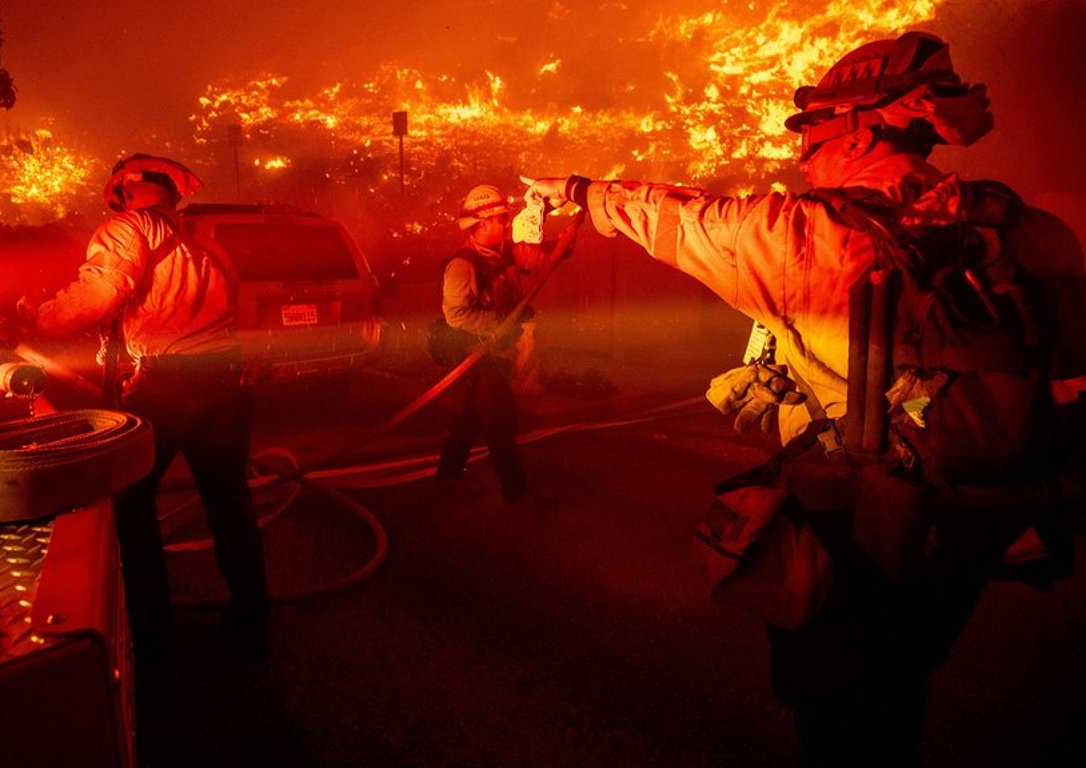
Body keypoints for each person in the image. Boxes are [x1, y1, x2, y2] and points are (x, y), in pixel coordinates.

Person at [525, 32, 1085, 766]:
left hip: (853, 527)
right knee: (900, 687)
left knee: (841, 716)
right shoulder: (1023, 227)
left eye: (813, 130)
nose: (804, 152)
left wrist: (576, 192)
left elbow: (677, 218)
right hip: (978, 521)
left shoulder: (798, 234)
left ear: (854, 129)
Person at [18, 153, 270, 660]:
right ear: (172, 193)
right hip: (225, 379)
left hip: (171, 385)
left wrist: (36, 321)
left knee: (131, 502)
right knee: (228, 500)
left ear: (125, 192)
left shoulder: (128, 229)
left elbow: (99, 293)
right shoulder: (206, 245)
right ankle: (251, 618)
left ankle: (150, 631)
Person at [435, 183, 550, 506]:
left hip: (497, 351)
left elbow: (536, 259)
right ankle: (517, 493)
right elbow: (456, 316)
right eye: (500, 219)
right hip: (479, 354)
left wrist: (559, 239)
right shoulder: (463, 265)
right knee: (501, 423)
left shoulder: (505, 253)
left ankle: (447, 475)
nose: (505, 224)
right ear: (482, 224)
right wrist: (499, 325)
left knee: (471, 419)